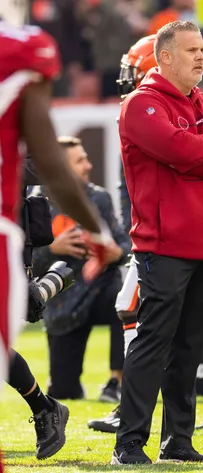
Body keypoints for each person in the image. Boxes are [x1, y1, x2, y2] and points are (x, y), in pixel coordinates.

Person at [88, 33, 203, 435]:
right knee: (151, 343)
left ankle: (178, 439)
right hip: (163, 245)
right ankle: (130, 441)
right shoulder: (140, 104)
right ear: (164, 57)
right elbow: (180, 149)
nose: (201, 57)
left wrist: (194, 155)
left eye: (202, 50)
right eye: (191, 51)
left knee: (189, 348)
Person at [0, 1, 115, 467]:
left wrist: (95, 227)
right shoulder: (19, 51)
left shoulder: (19, 52)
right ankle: (46, 407)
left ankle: (45, 407)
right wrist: (98, 231)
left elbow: (47, 163)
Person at [31, 137, 130, 401]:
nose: (88, 165)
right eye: (80, 161)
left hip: (101, 289)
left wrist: (116, 253)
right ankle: (66, 380)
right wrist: (53, 249)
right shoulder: (36, 205)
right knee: (64, 391)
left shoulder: (99, 198)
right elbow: (23, 261)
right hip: (62, 302)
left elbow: (124, 242)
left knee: (126, 303)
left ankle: (116, 382)